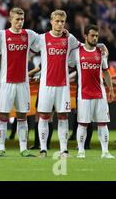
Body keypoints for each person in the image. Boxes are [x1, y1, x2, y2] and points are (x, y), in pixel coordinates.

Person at [31, 10, 81, 158]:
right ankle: (43, 149)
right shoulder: (42, 38)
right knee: (44, 116)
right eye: (57, 21)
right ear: (51, 21)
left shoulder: (70, 39)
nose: (59, 24)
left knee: (63, 116)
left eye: (62, 22)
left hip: (63, 85)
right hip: (46, 85)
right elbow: (25, 43)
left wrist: (101, 46)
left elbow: (83, 47)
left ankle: (64, 150)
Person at [0, 7, 39, 157]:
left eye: (22, 19)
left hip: (23, 83)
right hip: (6, 82)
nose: (20, 22)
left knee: (22, 116)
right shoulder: (1, 35)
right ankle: (1, 148)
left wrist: (63, 33)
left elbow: (44, 41)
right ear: (10, 20)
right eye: (17, 19)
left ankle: (23, 148)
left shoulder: (29, 35)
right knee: (3, 116)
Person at [68, 25, 115, 159]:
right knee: (82, 124)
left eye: (96, 36)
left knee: (103, 123)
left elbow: (106, 72)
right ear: (85, 36)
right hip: (83, 94)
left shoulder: (101, 52)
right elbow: (68, 66)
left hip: (100, 93)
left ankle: (105, 152)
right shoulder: (77, 52)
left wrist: (110, 89)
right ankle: (81, 151)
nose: (94, 38)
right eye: (92, 35)